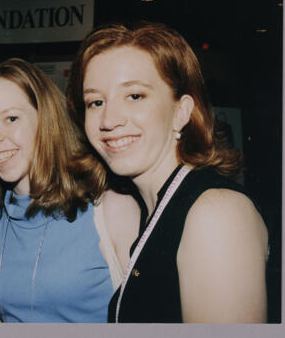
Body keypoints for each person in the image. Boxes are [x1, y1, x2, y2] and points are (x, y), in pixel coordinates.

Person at [66, 21, 269, 323]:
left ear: (181, 111)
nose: (108, 119)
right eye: (96, 102)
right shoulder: (156, 210)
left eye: (134, 96)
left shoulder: (216, 213)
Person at [0, 58, 139, 322]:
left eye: (11, 118)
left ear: (46, 119)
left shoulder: (111, 208)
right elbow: (5, 313)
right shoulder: (2, 216)